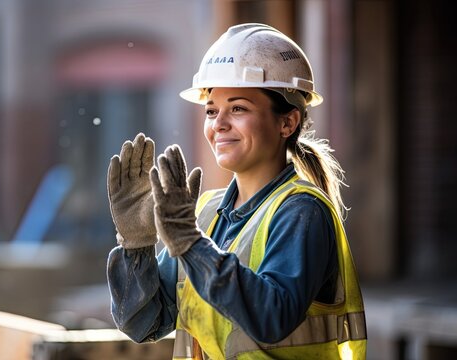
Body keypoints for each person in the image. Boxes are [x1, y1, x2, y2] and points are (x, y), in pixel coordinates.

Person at [106, 23, 366, 359]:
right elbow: (144, 324)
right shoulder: (205, 214)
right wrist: (136, 246)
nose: (219, 124)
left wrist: (191, 244)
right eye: (212, 110)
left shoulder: (301, 211)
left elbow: (272, 317)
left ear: (287, 122)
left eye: (238, 108)